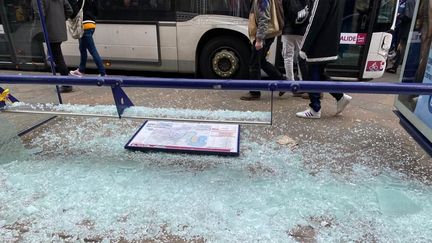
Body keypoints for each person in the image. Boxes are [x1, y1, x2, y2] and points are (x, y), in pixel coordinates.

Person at [296, 0, 352, 119]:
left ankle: (315, 108)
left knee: (312, 75)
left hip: (319, 44)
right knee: (319, 75)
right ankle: (340, 96)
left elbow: (315, 21)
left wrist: (304, 47)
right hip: (329, 42)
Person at [240, 0, 284, 101]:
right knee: (262, 61)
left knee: (254, 63)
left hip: (264, 35)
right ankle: (282, 82)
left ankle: (254, 92)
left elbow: (264, 18)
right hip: (267, 34)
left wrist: (259, 39)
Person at [32, 0, 73, 93]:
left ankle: (67, 84)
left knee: (58, 58)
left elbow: (40, 14)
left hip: (49, 31)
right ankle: (66, 82)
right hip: (58, 30)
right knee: (56, 56)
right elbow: (69, 10)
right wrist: (60, 20)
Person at [279, 0, 312, 97]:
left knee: (288, 57)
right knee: (301, 58)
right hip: (302, 32)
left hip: (288, 31)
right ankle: (302, 84)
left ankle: (291, 83)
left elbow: (282, 12)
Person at [69, 0, 106, 77]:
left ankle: (103, 73)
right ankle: (81, 70)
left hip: (84, 25)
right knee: (82, 48)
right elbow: (97, 11)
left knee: (92, 50)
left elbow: (76, 10)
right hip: (92, 25)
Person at [386, 0, 415, 74]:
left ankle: (395, 67)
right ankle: (395, 66)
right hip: (404, 28)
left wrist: (398, 16)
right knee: (401, 48)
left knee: (401, 48)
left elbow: (409, 16)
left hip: (406, 29)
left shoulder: (410, 2)